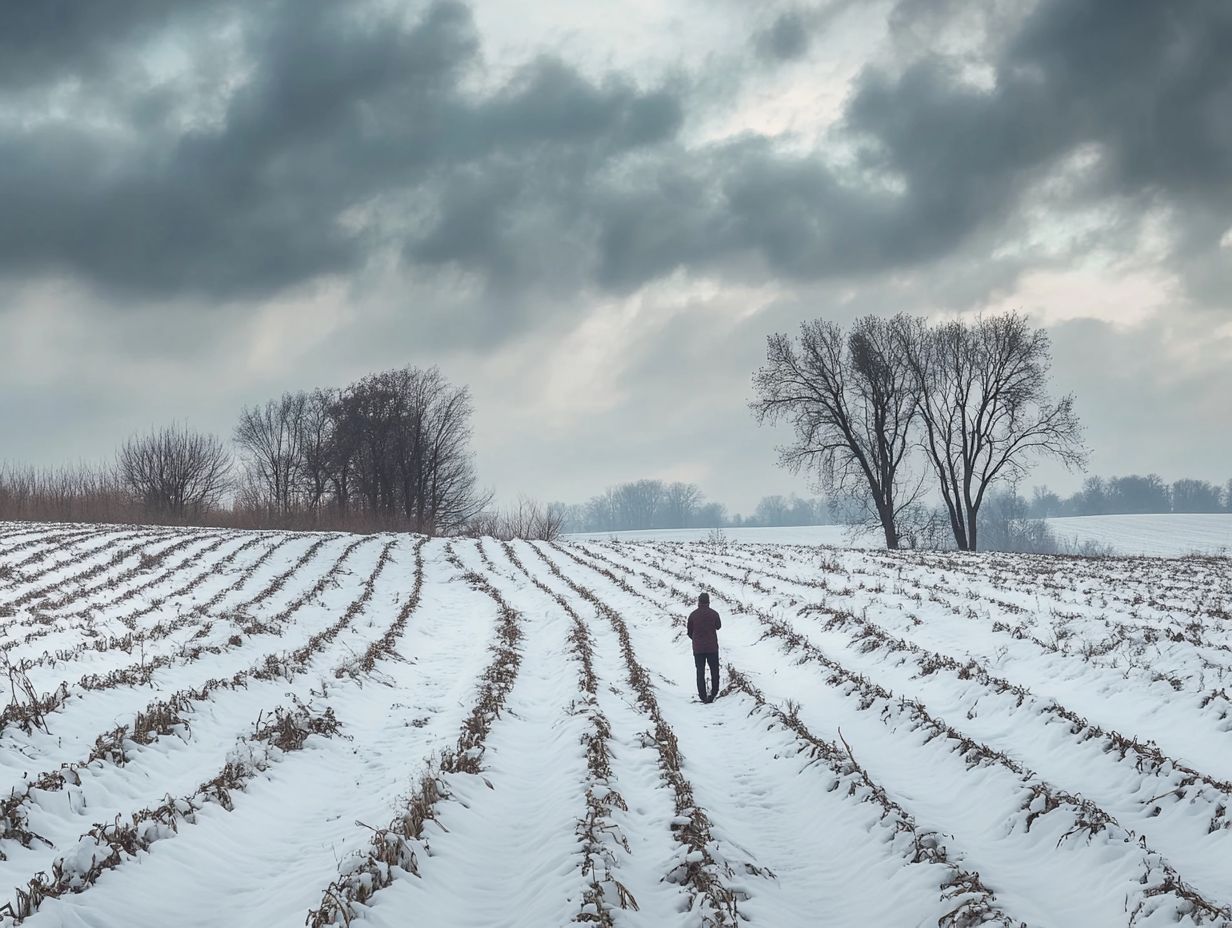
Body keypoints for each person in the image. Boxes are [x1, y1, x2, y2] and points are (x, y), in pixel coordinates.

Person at [686, 592, 721, 703]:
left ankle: (703, 696)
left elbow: (689, 632)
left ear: (699, 602)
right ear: (709, 602)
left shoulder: (693, 615)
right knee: (714, 671)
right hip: (712, 648)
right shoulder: (714, 614)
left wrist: (696, 640)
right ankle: (714, 693)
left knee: (700, 671)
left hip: (698, 649)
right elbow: (718, 626)